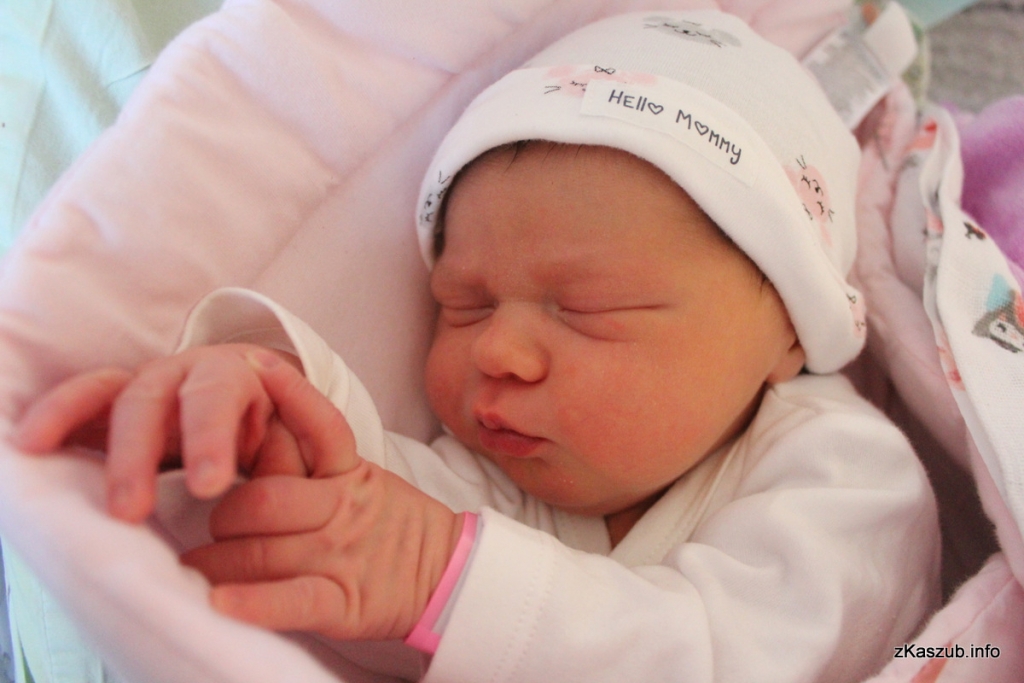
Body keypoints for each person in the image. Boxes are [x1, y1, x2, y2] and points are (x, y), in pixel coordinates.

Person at [12, 10, 940, 683]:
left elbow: (741, 656)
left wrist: (442, 577)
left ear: (789, 328)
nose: (500, 351)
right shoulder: (506, 482)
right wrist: (268, 418)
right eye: (462, 305)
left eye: (584, 308)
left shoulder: (848, 474)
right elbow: (371, 513)